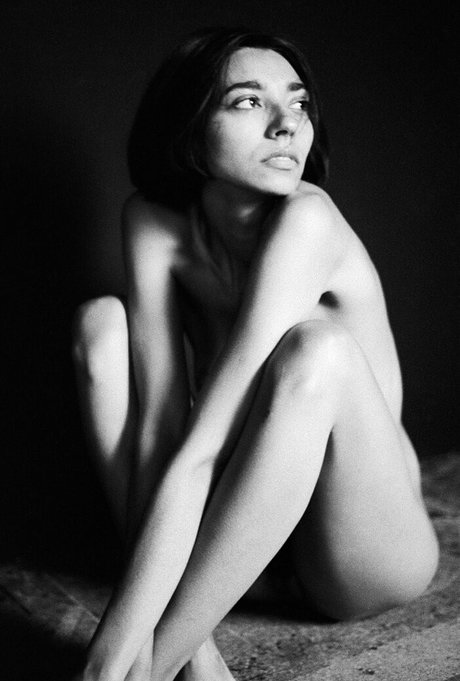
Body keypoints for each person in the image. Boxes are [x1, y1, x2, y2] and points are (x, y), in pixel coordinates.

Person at [72, 27, 439, 681]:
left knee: (316, 348)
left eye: (298, 103)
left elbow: (205, 447)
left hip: (363, 550)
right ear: (188, 127)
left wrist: (126, 666)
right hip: (247, 547)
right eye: (247, 101)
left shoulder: (308, 220)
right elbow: (161, 431)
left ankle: (158, 662)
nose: (286, 125)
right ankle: (195, 641)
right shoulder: (153, 222)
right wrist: (131, 645)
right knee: (101, 324)